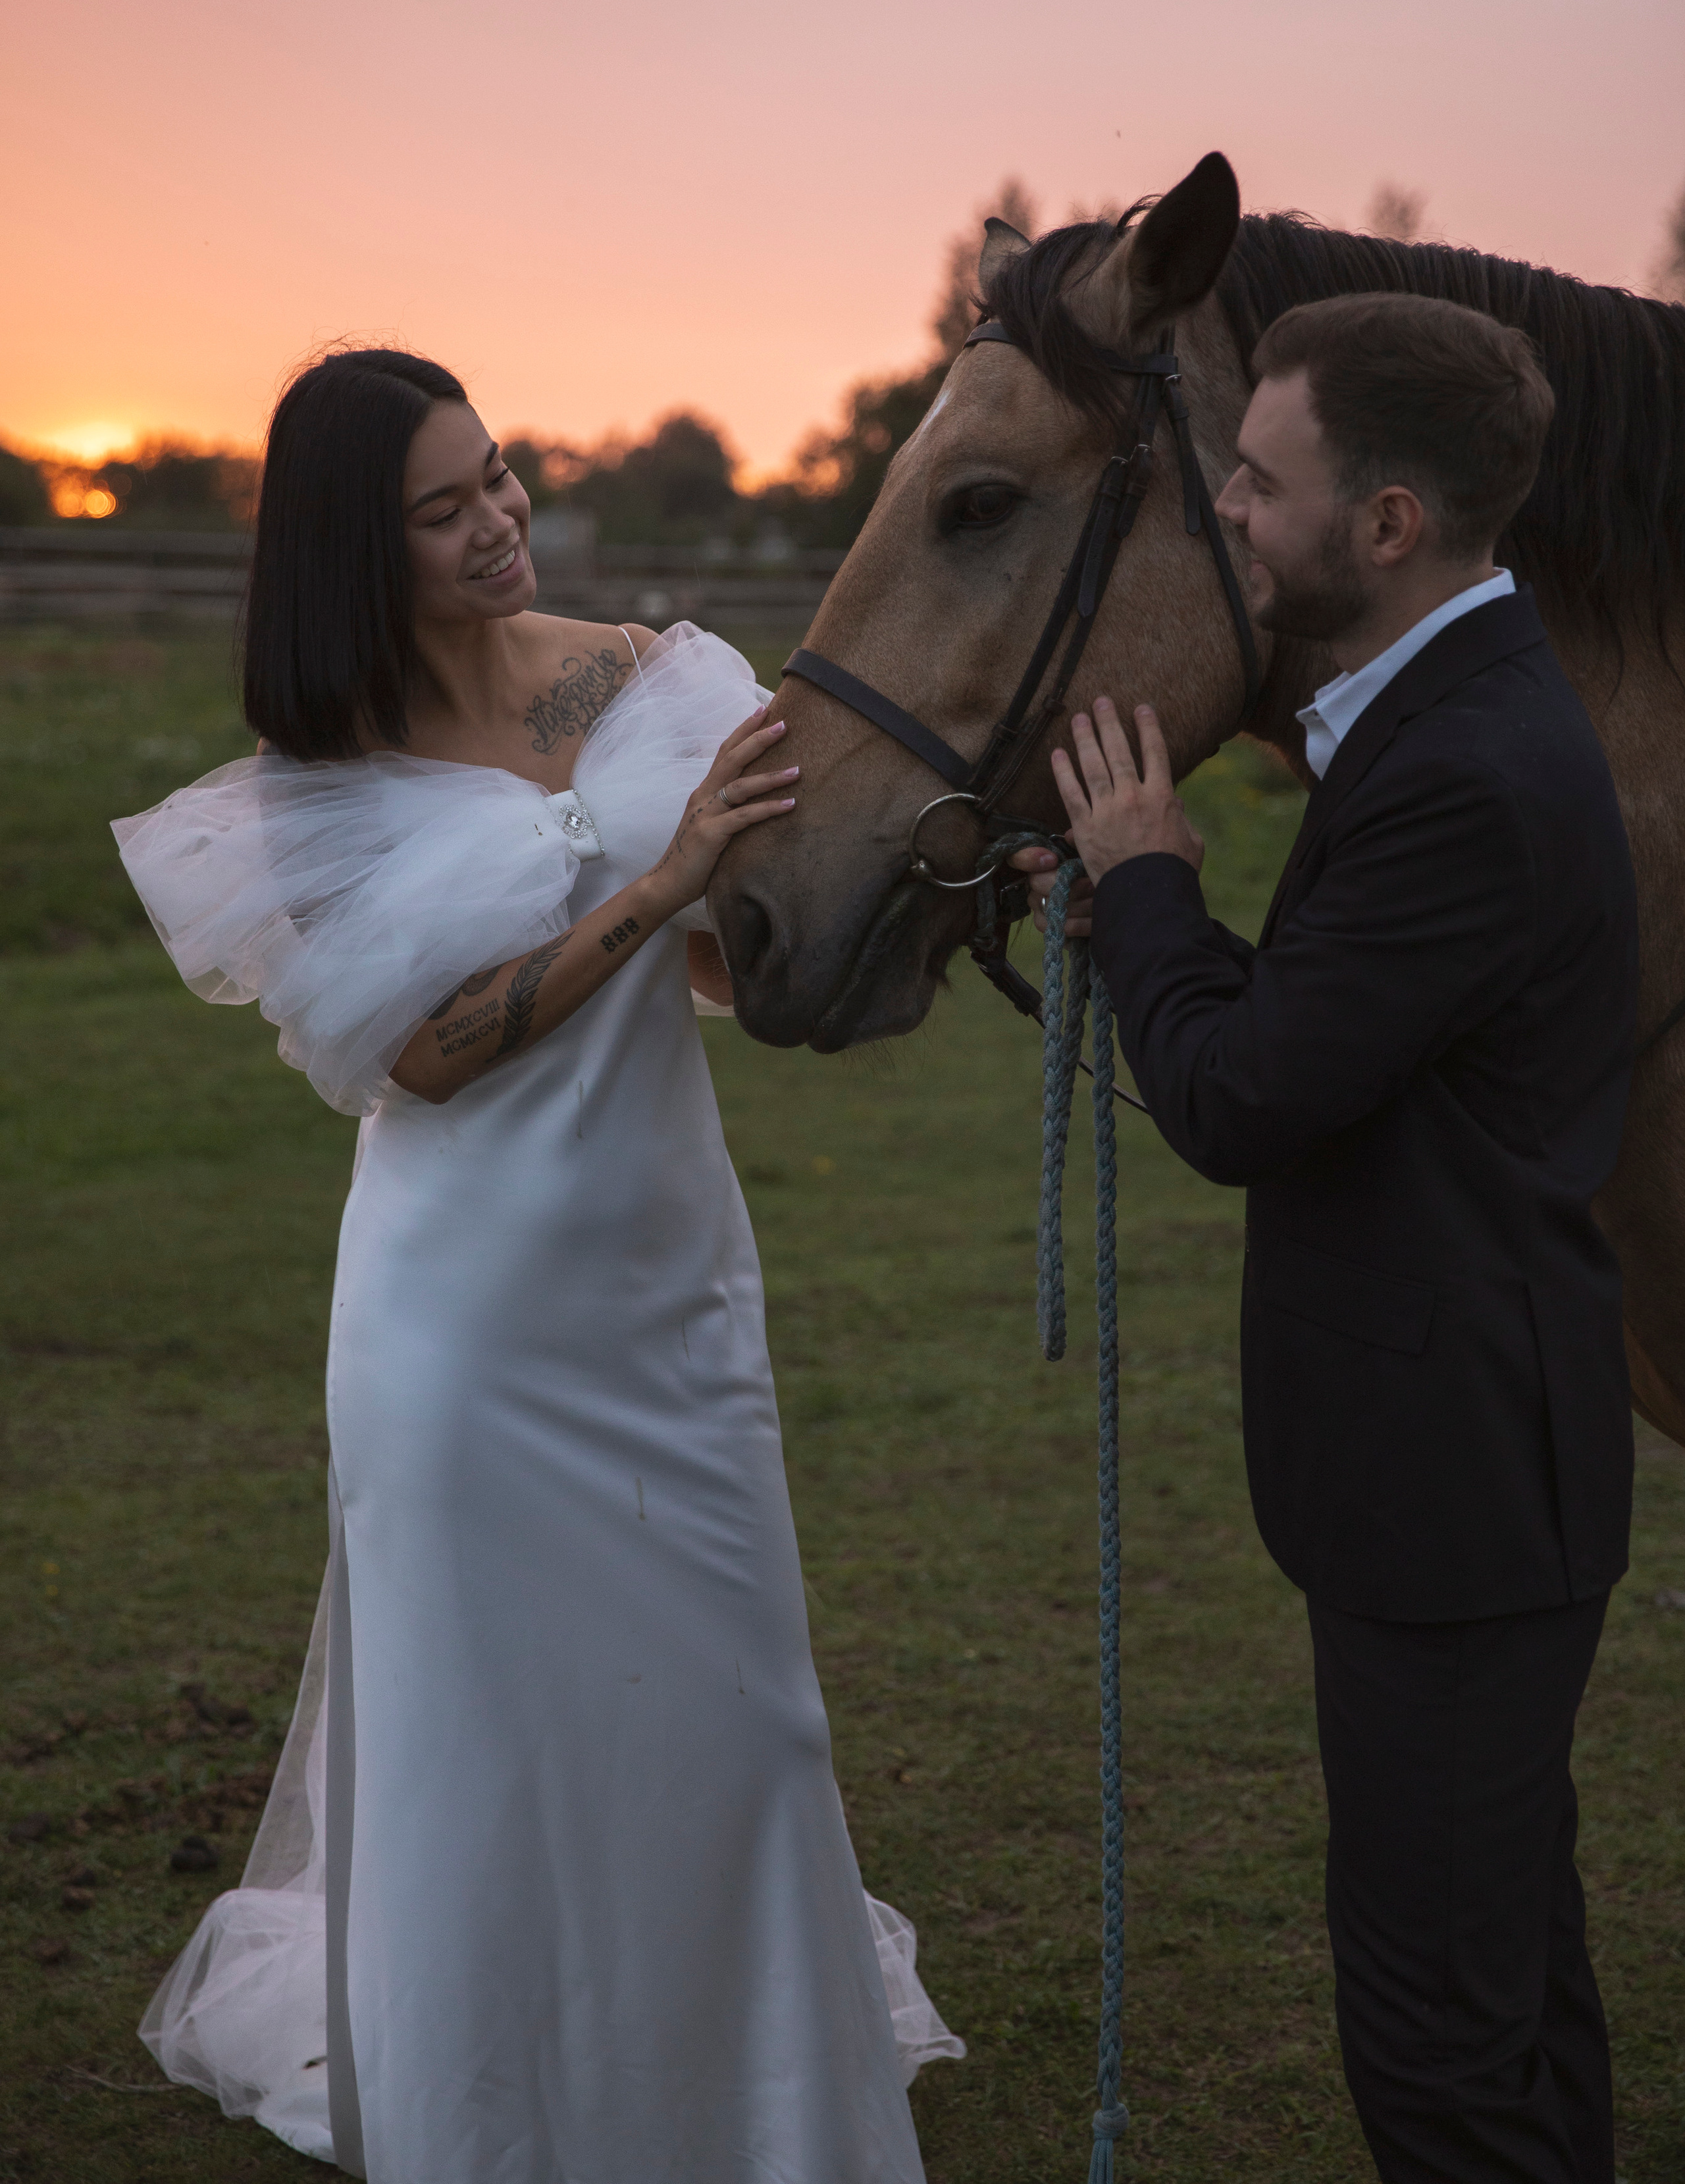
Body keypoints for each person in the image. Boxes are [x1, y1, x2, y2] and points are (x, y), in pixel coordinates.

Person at [115, 349, 960, 2183]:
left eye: (499, 479)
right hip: (461, 1329)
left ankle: (754, 2093)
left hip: (667, 1286)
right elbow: (417, 1053)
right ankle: (495, 2113)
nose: (498, 521)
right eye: (445, 506)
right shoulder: (314, 787)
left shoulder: (665, 683)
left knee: (746, 1713)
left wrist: (873, 888)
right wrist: (646, 897)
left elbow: (740, 976)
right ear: (362, 547)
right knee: (491, 1754)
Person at [1017, 294, 1635, 2184]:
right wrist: (1138, 916)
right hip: (1472, 1475)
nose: (1231, 510)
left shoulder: (1458, 769)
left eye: (1262, 481)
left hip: (1452, 1498)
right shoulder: (1443, 718)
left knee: (1439, 2043)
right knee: (1512, 1976)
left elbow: (1249, 1098)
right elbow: (1349, 1036)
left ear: (1385, 525)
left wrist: (1145, 892)